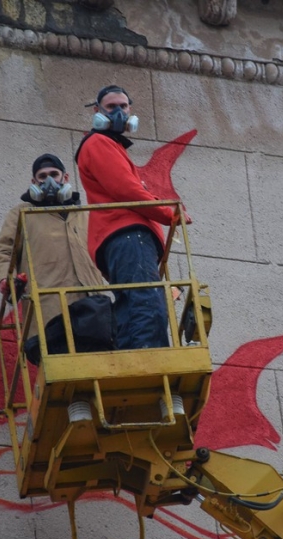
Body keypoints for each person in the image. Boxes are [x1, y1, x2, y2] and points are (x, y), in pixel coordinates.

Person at [75, 85, 191, 350]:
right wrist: (169, 213)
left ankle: (133, 359)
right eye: (111, 107)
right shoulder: (98, 143)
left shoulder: (109, 147)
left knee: (132, 308)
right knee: (148, 305)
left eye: (123, 107)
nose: (118, 112)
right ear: (97, 112)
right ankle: (151, 365)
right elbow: (127, 191)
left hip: (121, 239)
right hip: (127, 236)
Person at [0, 153, 105, 339]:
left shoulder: (85, 215)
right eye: (42, 176)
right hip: (48, 309)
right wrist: (5, 279)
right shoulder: (22, 214)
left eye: (54, 174)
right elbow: (4, 250)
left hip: (92, 306)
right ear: (34, 182)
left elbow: (104, 256)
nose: (49, 180)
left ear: (65, 177)